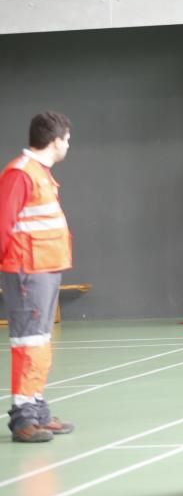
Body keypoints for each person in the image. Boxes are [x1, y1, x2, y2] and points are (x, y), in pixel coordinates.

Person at [0, 111, 76, 443]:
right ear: (56, 140)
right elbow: (2, 224)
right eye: (68, 139)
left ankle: (37, 407)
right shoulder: (21, 174)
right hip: (26, 272)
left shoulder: (40, 173)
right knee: (27, 343)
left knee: (40, 342)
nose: (69, 145)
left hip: (44, 269)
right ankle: (23, 417)